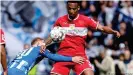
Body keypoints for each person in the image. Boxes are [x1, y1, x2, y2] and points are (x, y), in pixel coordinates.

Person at [40, 1, 120, 75]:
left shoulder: (85, 20)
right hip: (63, 56)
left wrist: (113, 31)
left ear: (78, 8)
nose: (71, 11)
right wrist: (44, 43)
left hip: (80, 56)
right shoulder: (60, 20)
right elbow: (53, 35)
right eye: (69, 9)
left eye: (74, 9)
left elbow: (102, 28)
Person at [7, 37, 84, 75]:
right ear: (37, 44)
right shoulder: (39, 48)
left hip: (8, 70)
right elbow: (54, 57)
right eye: (42, 42)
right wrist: (72, 58)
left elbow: (33, 61)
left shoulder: (25, 51)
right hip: (19, 72)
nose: (44, 44)